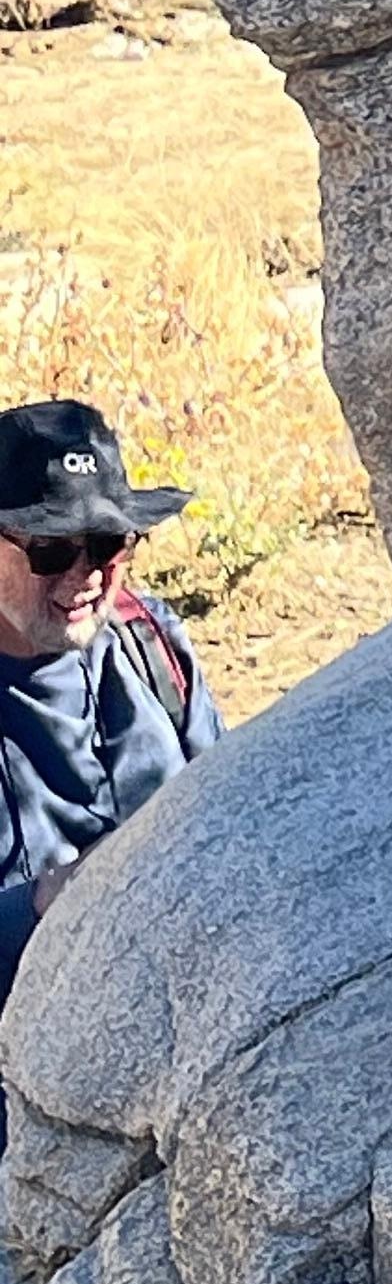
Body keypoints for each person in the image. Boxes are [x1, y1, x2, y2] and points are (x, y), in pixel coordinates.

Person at [0, 398, 217, 1008]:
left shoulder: (150, 642)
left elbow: (228, 832)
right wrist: (48, 902)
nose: (86, 575)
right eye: (50, 550)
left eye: (107, 544)